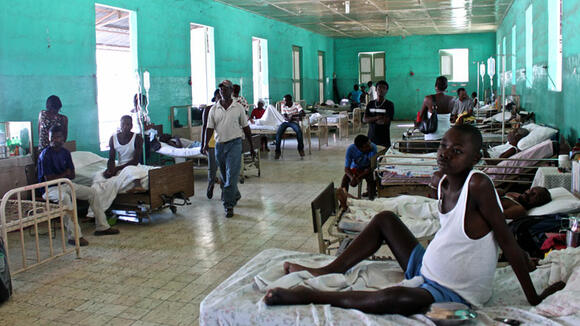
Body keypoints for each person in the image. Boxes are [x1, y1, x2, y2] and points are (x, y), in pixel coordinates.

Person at [265, 124, 565, 314]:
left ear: (475, 160)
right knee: (385, 218)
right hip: (425, 264)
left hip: (452, 291)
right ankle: (328, 270)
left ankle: (314, 296)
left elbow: (508, 243)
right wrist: (439, 179)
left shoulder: (479, 185)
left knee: (397, 300)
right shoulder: (445, 180)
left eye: (457, 151)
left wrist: (534, 298)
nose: (445, 154)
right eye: (444, 145)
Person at [38, 126, 119, 246]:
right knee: (65, 198)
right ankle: (74, 236)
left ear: (63, 138)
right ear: (49, 139)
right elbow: (49, 179)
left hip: (66, 184)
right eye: (52, 138)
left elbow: (72, 174)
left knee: (92, 192)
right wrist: (65, 174)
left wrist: (64, 176)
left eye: (58, 137)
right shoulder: (45, 155)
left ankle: (102, 227)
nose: (55, 140)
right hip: (49, 188)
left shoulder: (65, 152)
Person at [202, 80, 255, 218]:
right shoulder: (214, 109)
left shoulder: (238, 108)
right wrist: (205, 144)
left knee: (232, 175)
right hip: (220, 145)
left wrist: (251, 146)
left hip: (235, 144)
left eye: (225, 89)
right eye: (220, 89)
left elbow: (246, 127)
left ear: (231, 90)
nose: (222, 91)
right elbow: (209, 128)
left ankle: (228, 205)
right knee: (225, 176)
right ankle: (235, 194)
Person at [104, 116, 144, 180]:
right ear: (120, 125)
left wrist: (117, 169)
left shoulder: (138, 139)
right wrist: (110, 169)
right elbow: (111, 159)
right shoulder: (113, 139)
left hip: (133, 167)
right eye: (123, 124)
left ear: (131, 126)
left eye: (128, 124)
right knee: (101, 175)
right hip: (120, 166)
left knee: (132, 173)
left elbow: (135, 161)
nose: (125, 127)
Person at [419, 76, 455, 142]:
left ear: (436, 86)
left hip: (431, 137)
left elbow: (420, 116)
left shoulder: (428, 98)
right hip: (446, 137)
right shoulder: (452, 99)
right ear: (446, 86)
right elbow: (452, 117)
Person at [342, 135, 377, 199]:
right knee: (345, 180)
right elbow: (346, 169)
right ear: (359, 148)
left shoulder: (373, 148)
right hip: (356, 168)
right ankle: (343, 200)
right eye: (366, 146)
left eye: (369, 143)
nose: (369, 147)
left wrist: (359, 177)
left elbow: (372, 167)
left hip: (367, 168)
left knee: (371, 179)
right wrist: (352, 178)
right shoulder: (351, 149)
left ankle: (371, 199)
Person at [363, 80, 394, 148]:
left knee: (383, 157)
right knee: (371, 157)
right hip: (371, 138)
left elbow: (385, 121)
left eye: (384, 88)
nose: (381, 90)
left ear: (386, 91)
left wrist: (371, 119)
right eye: (379, 88)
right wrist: (377, 118)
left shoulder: (389, 105)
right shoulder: (370, 104)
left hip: (384, 139)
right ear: (376, 90)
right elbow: (364, 120)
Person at [201, 89, 220, 199]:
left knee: (224, 168)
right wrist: (203, 144)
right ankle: (211, 184)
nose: (220, 99)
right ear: (215, 98)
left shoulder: (226, 110)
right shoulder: (208, 109)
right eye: (218, 97)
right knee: (212, 168)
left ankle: (223, 190)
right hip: (212, 142)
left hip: (223, 141)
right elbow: (204, 127)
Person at [275, 94, 305, 159]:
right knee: (278, 134)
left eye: (285, 101)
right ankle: (277, 152)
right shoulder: (283, 105)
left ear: (289, 101)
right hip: (285, 122)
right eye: (284, 101)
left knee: (299, 132)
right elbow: (285, 117)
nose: (284, 102)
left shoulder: (296, 104)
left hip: (293, 122)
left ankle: (300, 149)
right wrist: (292, 118)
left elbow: (303, 113)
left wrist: (293, 117)